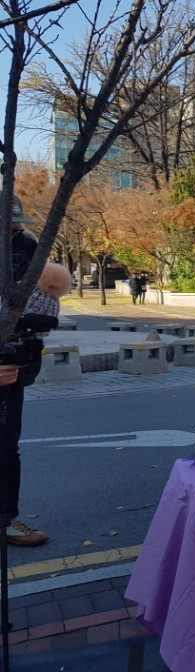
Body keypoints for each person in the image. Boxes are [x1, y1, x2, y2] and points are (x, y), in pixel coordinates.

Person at [1, 195, 47, 546]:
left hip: (12, 366)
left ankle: (6, 519)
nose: (17, 234)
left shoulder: (27, 248)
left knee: (6, 446)